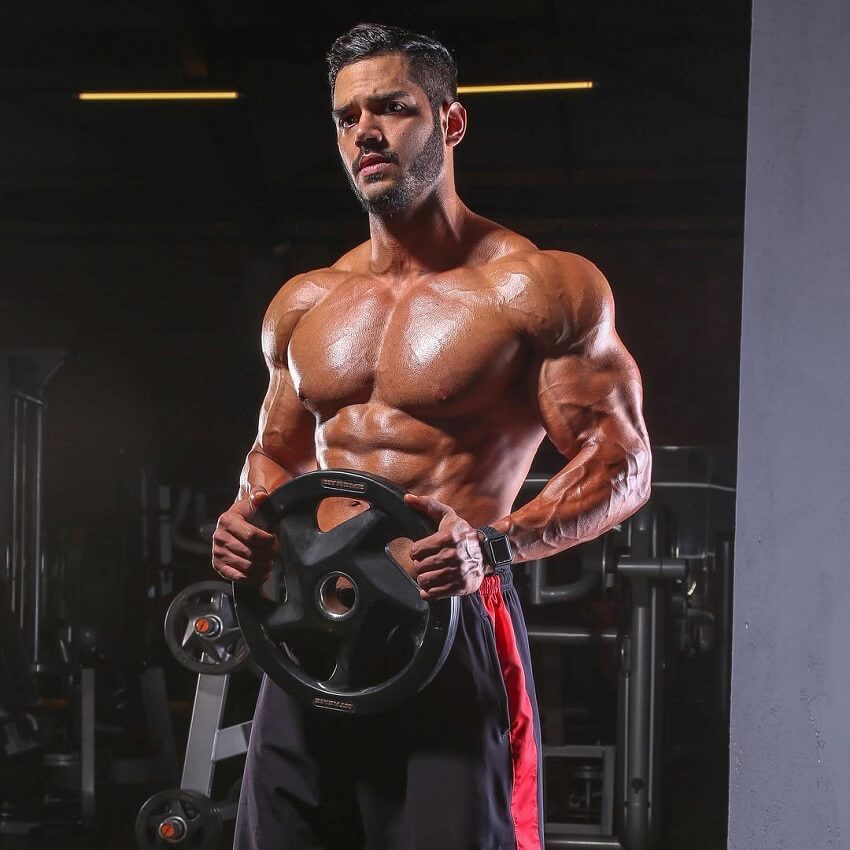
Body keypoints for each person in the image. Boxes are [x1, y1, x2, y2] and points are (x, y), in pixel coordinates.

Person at [213, 22, 651, 850]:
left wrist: (495, 545)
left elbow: (621, 462)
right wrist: (251, 519)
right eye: (347, 118)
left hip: (443, 618)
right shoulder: (305, 301)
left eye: (392, 107)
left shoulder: (537, 286)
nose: (365, 133)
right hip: (309, 626)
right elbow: (275, 454)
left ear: (449, 123)